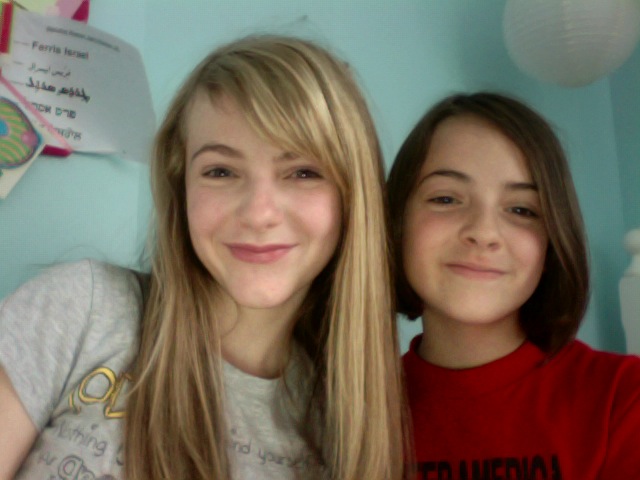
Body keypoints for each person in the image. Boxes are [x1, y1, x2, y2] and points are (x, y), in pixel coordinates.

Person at [0, 35, 410, 480]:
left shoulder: (349, 429)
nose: (258, 213)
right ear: (182, 185)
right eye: (220, 171)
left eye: (303, 172)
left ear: (353, 196)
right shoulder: (82, 310)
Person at [387, 92, 640, 480]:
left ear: (552, 242)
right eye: (446, 198)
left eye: (522, 209)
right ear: (397, 223)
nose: (484, 232)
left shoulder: (623, 398)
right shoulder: (346, 410)